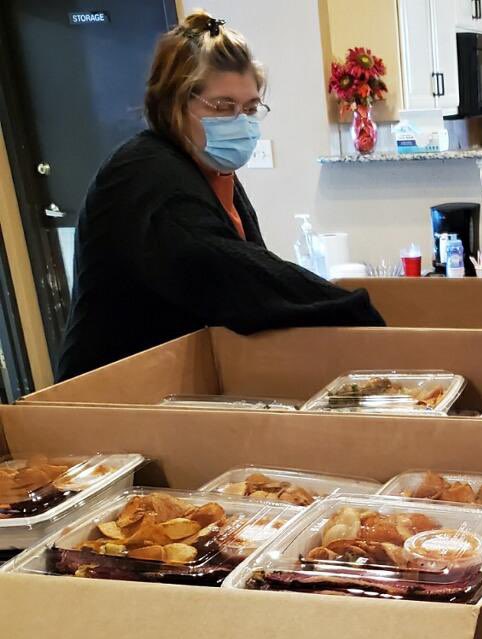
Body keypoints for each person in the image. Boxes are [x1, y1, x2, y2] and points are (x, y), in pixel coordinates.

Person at [56, 11, 383, 381]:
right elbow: (236, 278)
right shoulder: (148, 178)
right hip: (109, 392)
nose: (241, 122)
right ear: (175, 103)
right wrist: (353, 311)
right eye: (223, 106)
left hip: (169, 379)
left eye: (250, 108)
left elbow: (252, 263)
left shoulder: (212, 170)